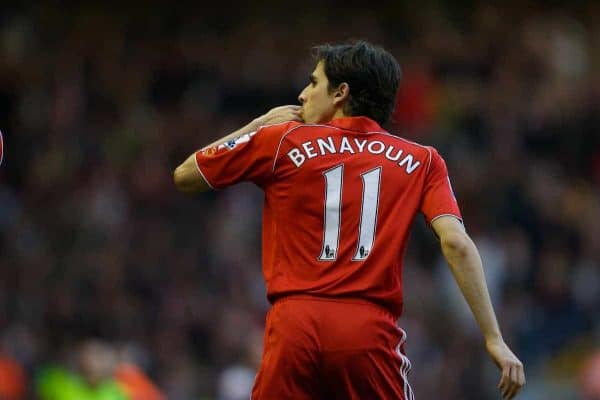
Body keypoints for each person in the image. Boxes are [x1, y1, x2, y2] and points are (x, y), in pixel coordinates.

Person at [174, 40, 525, 399]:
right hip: (367, 334)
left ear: (341, 92)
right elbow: (456, 243)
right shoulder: (423, 160)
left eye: (313, 83)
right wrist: (493, 338)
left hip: (294, 325)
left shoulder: (281, 140)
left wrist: (258, 124)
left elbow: (185, 175)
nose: (302, 94)